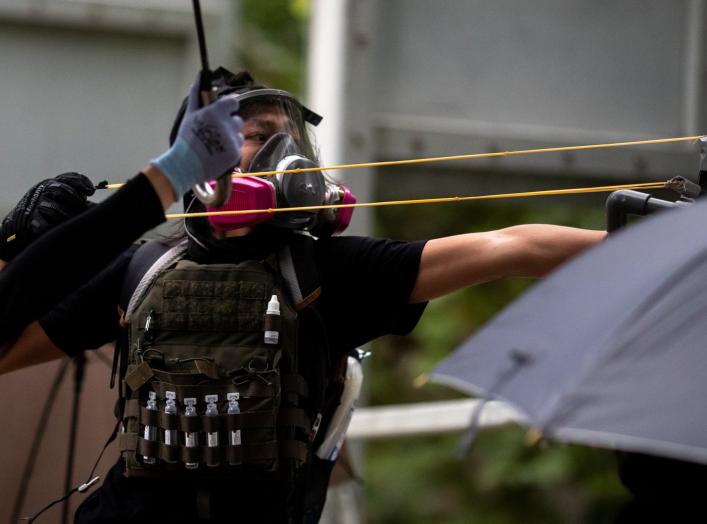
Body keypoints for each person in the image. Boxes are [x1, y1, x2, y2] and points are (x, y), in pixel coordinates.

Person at [0, 68, 605, 523]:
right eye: (256, 136)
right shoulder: (140, 268)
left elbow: (509, 247)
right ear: (200, 155)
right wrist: (16, 250)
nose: (280, 157)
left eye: (287, 142)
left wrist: (657, 232)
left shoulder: (327, 269)